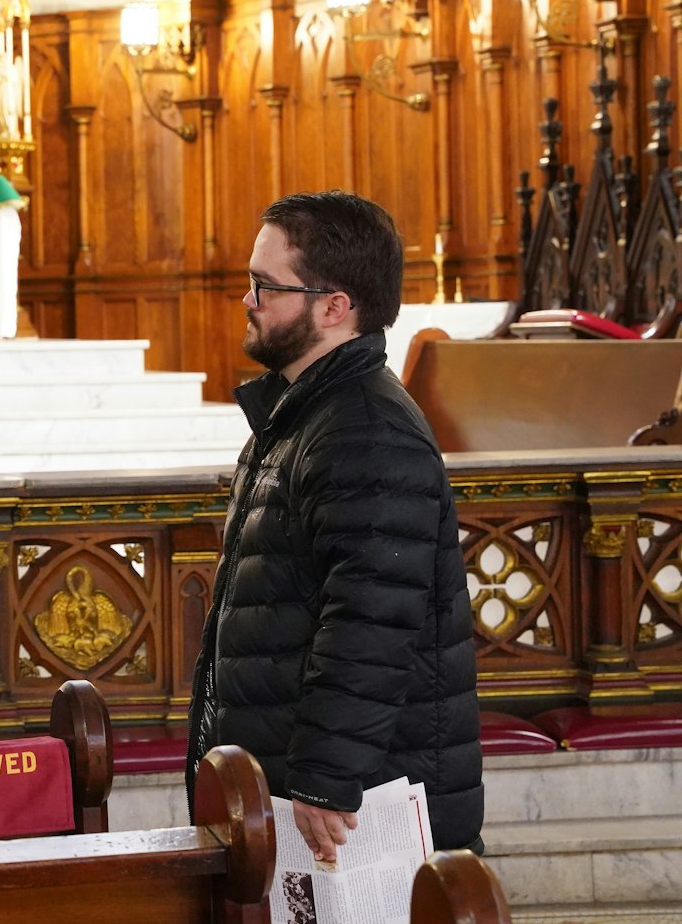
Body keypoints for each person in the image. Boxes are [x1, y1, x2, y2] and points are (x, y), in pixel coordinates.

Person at [185, 190, 483, 862]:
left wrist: (325, 774)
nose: (248, 299)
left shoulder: (364, 429)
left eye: (266, 284)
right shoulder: (309, 414)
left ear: (335, 305)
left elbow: (371, 619)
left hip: (354, 809)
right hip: (314, 789)